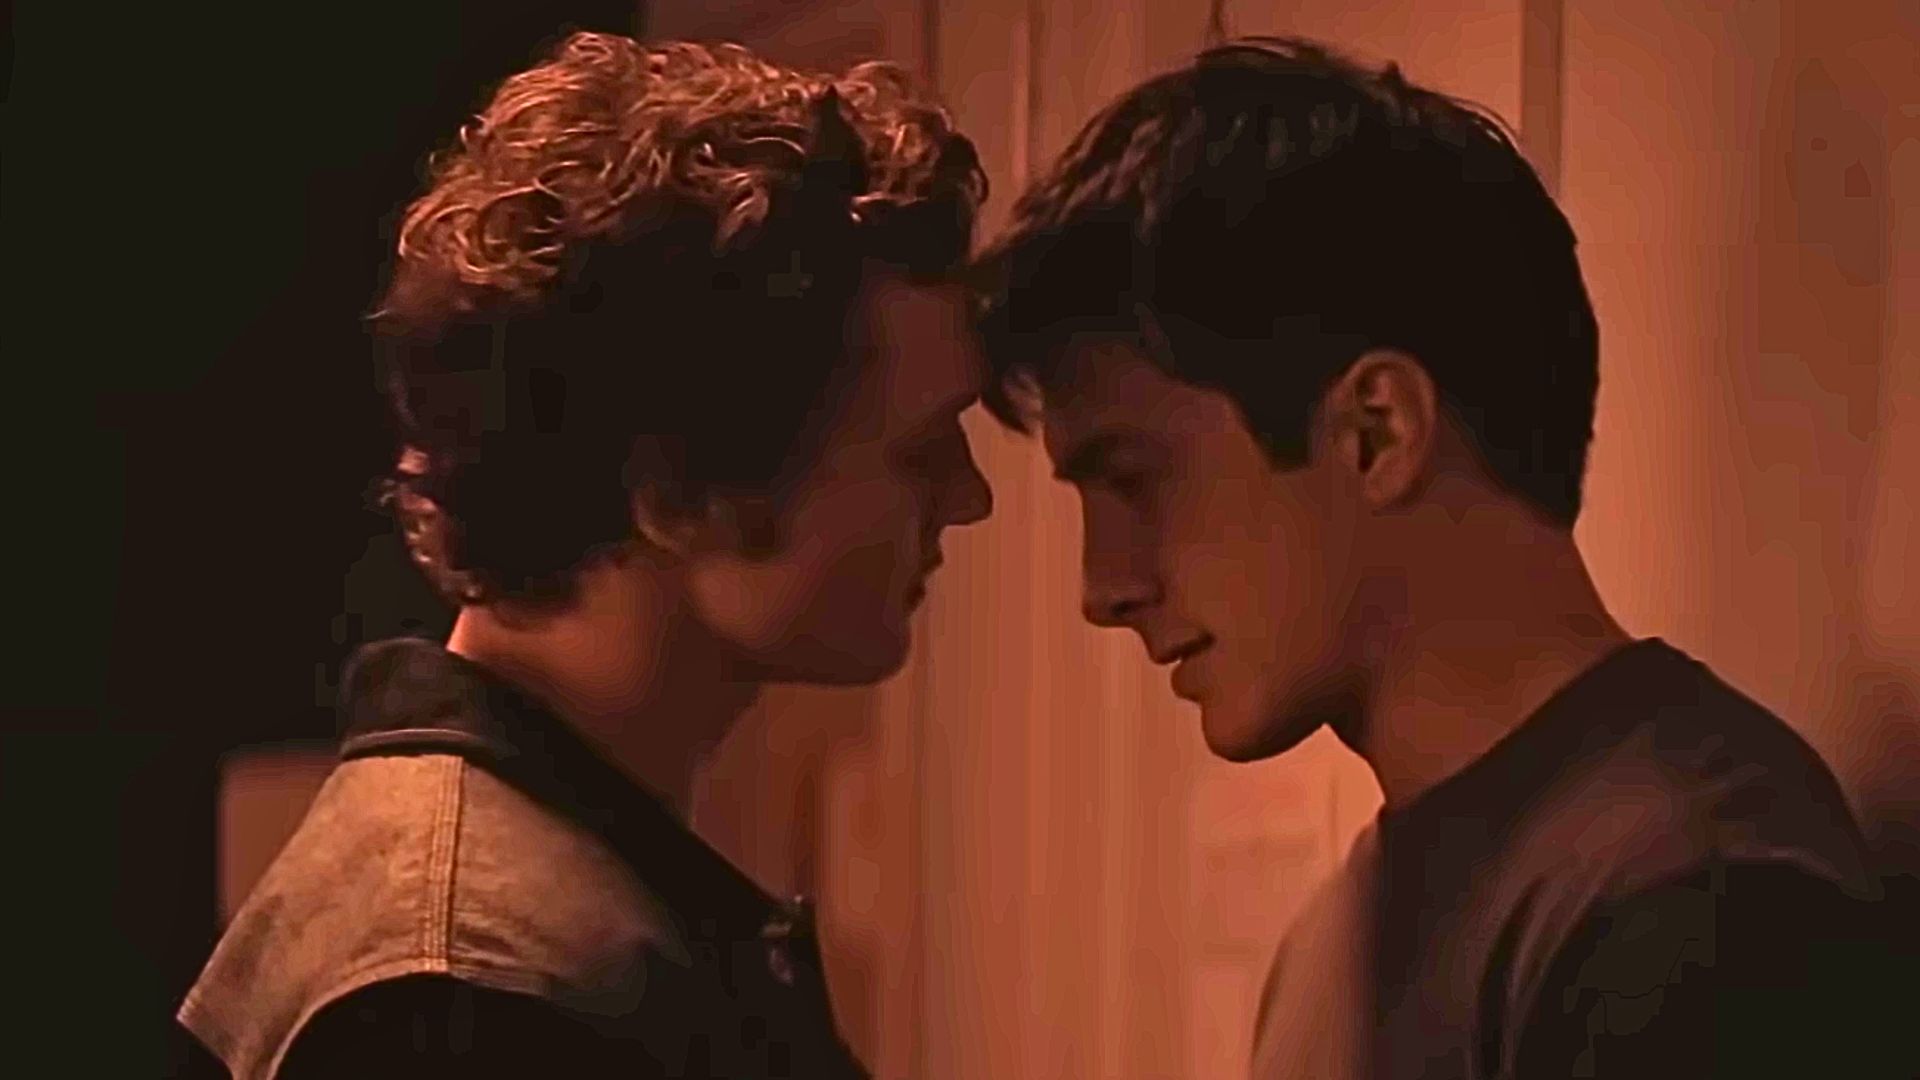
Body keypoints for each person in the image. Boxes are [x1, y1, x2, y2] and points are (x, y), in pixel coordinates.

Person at [976, 37, 1910, 1079]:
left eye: (1135, 480)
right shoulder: (1332, 947)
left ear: (1375, 432)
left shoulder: (1704, 905)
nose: (1104, 587)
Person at [177, 32, 992, 1079]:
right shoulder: (465, 997)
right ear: (680, 496)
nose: (970, 498)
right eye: (920, 450)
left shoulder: (544, 911)